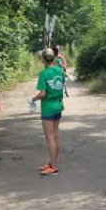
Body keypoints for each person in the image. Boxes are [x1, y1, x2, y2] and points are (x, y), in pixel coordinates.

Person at [30, 48, 64, 176]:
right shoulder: (59, 71)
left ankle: (54, 167)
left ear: (43, 59)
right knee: (55, 136)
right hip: (57, 106)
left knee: (50, 137)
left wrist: (32, 99)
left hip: (48, 109)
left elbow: (42, 93)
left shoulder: (44, 74)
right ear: (54, 57)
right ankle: (53, 162)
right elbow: (60, 89)